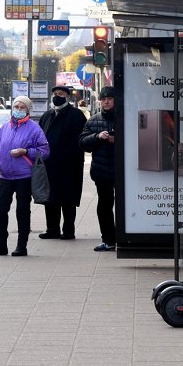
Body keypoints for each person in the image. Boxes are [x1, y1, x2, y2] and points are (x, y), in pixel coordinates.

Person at [0, 95, 50, 257]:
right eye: (17, 107)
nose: (19, 110)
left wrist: (26, 152)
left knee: (22, 210)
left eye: (23, 108)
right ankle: (1, 244)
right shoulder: (4, 127)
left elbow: (45, 151)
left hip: (24, 176)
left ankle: (22, 246)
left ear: (28, 110)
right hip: (5, 176)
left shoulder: (34, 128)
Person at [38, 84, 87, 240]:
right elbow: (40, 137)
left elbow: (79, 140)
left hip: (68, 165)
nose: (57, 96)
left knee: (68, 198)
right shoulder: (47, 115)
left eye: (60, 94)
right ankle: (52, 229)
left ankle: (68, 230)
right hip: (49, 165)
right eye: (55, 94)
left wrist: (68, 155)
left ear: (67, 97)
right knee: (50, 198)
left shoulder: (76, 115)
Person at [79, 85, 118, 252]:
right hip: (101, 172)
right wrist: (97, 137)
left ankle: (124, 238)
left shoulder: (124, 117)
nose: (106, 102)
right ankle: (108, 239)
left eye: (109, 99)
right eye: (103, 99)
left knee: (124, 206)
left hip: (123, 172)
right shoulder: (93, 120)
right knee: (104, 206)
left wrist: (116, 140)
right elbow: (82, 143)